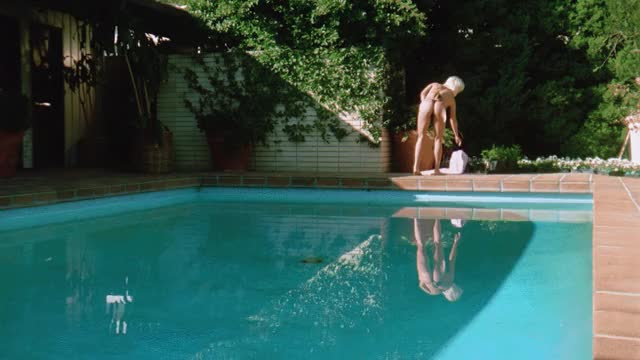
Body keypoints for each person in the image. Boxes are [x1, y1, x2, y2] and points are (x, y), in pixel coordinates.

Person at [413, 76, 465, 175]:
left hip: (426, 103)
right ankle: (436, 170)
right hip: (440, 107)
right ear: (456, 88)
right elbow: (452, 118)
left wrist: (424, 102)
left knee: (420, 137)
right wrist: (456, 135)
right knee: (438, 139)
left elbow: (423, 93)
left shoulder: (434, 84)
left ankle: (416, 167)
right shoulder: (451, 97)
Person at [414, 217, 463, 302]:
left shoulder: (449, 282)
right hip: (427, 279)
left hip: (439, 274)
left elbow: (451, 260)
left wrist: (455, 243)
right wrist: (422, 281)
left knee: (437, 242)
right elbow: (421, 286)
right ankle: (415, 217)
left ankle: (437, 217)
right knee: (420, 244)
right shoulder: (433, 293)